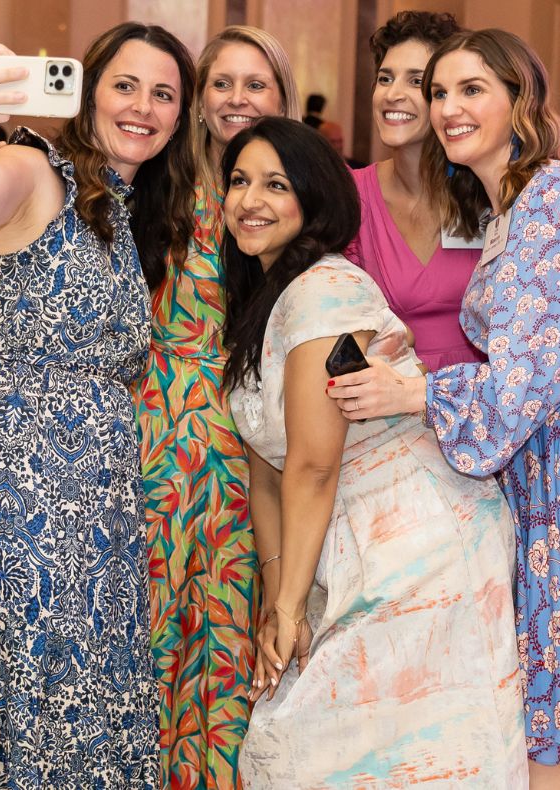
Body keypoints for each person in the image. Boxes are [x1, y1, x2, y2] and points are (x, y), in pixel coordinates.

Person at [0, 21, 195, 786]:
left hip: (94, 498)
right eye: (124, 86)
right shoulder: (35, 167)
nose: (142, 107)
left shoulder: (130, 207)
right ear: (89, 90)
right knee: (2, 666)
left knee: (78, 673)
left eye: (163, 94)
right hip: (6, 481)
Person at [220, 115, 527, 788]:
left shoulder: (326, 291)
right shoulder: (263, 300)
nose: (250, 200)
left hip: (419, 547)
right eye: (238, 181)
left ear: (315, 200)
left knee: (325, 751)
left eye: (276, 185)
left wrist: (286, 608)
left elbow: (311, 461)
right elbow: (264, 470)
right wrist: (280, 597)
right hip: (349, 544)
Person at [328, 28, 560, 790]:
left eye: (470, 90)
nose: (447, 108)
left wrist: (417, 392)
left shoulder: (545, 206)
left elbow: (515, 391)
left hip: (549, 485)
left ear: (519, 100)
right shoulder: (506, 211)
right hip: (526, 484)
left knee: (546, 726)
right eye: (439, 93)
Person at [130, 24, 299, 789]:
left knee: (232, 625)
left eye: (254, 83)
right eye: (221, 83)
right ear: (198, 103)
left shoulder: (289, 198)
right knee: (150, 618)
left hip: (248, 442)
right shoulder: (158, 184)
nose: (237, 97)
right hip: (155, 435)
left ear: (281, 98)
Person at [345, 10, 486, 372]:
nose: (393, 94)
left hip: (487, 406)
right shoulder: (349, 196)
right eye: (385, 78)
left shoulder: (487, 192)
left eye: (415, 81)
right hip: (389, 411)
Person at [302, 92, 344, 157]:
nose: (338, 145)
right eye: (333, 141)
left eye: (340, 141)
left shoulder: (300, 122)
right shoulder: (324, 126)